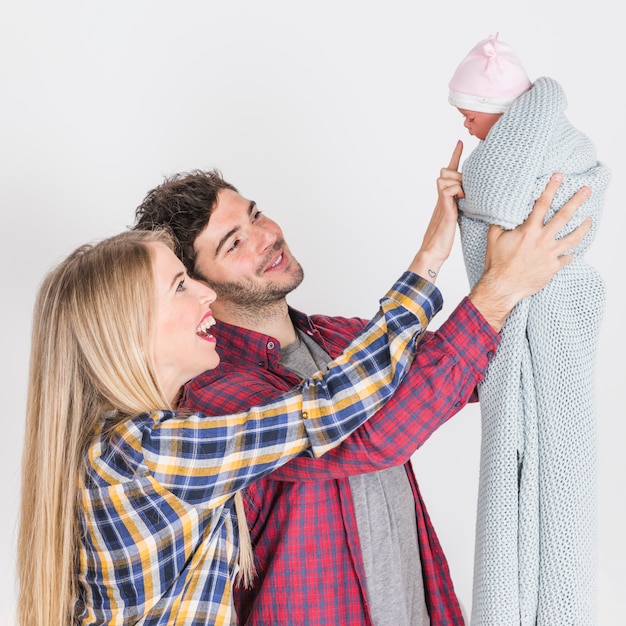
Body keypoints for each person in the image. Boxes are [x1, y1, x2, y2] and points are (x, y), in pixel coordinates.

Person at [133, 143, 593, 625]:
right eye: (234, 243)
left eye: (257, 215)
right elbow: (371, 439)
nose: (266, 236)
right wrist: (496, 288)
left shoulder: (341, 339)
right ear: (198, 284)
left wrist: (514, 244)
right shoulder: (212, 399)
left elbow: (471, 370)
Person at [18, 219, 476, 626]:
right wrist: (429, 263)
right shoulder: (147, 454)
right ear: (131, 330)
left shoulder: (140, 440)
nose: (207, 294)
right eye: (180, 285)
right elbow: (328, 412)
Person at [448, 34, 610, 624]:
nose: (463, 121)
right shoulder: (508, 154)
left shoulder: (529, 154)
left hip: (557, 314)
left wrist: (468, 201)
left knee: (561, 487)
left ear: (504, 108)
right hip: (516, 324)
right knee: (524, 487)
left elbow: (571, 193)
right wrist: (456, 209)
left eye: (469, 106)